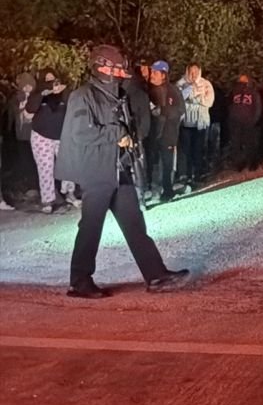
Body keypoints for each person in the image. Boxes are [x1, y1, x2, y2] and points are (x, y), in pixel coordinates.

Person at [56, 45, 189, 298]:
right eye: (115, 69)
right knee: (91, 227)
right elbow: (81, 133)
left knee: (134, 223)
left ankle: (156, 275)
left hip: (119, 169)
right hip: (96, 170)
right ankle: (79, 281)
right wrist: (116, 134)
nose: (120, 73)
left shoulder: (117, 95)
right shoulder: (83, 96)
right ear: (101, 67)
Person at [25, 70, 77, 212]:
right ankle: (47, 200)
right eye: (47, 81)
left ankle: (70, 194)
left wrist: (64, 91)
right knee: (45, 168)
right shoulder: (38, 95)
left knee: (68, 166)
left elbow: (74, 107)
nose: (52, 84)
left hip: (62, 136)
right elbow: (29, 110)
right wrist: (42, 93)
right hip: (41, 136)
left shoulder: (64, 94)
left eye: (54, 80)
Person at [146, 61, 185, 203]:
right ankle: (152, 189)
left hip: (168, 132)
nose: (152, 75)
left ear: (163, 75)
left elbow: (180, 110)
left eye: (155, 73)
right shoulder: (149, 90)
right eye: (151, 72)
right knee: (152, 162)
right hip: (153, 132)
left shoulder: (173, 90)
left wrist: (162, 111)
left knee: (167, 163)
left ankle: (168, 190)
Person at [178, 62, 214, 186]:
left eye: (196, 72)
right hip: (186, 123)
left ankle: (197, 174)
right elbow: (179, 99)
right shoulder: (181, 84)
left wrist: (196, 99)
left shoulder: (206, 84)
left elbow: (209, 102)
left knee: (198, 149)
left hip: (200, 123)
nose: (193, 75)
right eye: (191, 72)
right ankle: (187, 175)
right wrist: (190, 93)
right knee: (186, 150)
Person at [228, 74, 262, 171]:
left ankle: (250, 163)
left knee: (249, 143)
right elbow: (229, 105)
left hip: (247, 122)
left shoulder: (253, 93)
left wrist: (254, 120)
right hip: (237, 122)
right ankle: (240, 164)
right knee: (238, 144)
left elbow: (258, 107)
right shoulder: (234, 92)